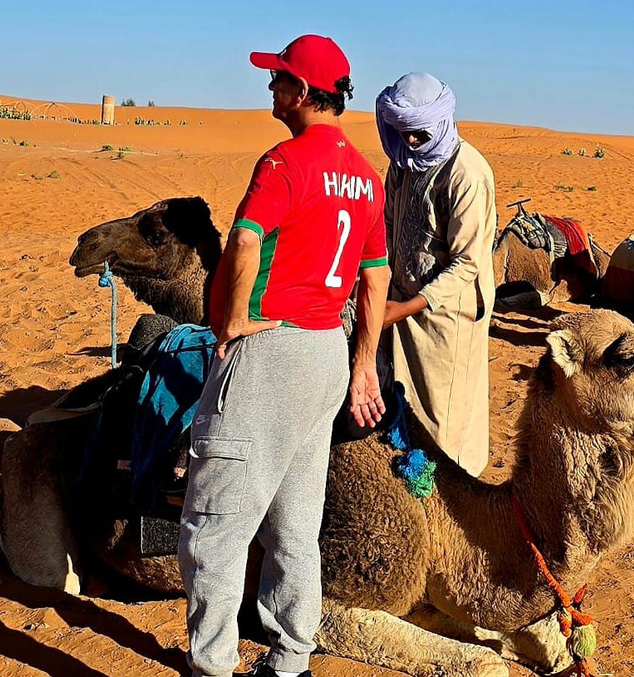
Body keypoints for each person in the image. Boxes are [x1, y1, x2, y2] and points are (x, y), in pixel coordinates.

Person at [180, 34, 390, 677]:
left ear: (303, 92)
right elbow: (375, 278)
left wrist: (235, 319)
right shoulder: (366, 176)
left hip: (268, 354)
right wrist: (361, 364)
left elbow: (243, 240)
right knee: (295, 522)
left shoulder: (284, 163)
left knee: (213, 522)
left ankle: (212, 664)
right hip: (327, 352)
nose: (271, 89)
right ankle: (293, 655)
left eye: (278, 81)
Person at [375, 72, 496, 477]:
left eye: (418, 134)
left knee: (445, 421)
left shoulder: (466, 174)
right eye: (402, 133)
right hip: (400, 305)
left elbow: (466, 263)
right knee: (400, 406)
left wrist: (407, 306)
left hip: (447, 317)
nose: (409, 143)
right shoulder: (401, 166)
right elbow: (390, 232)